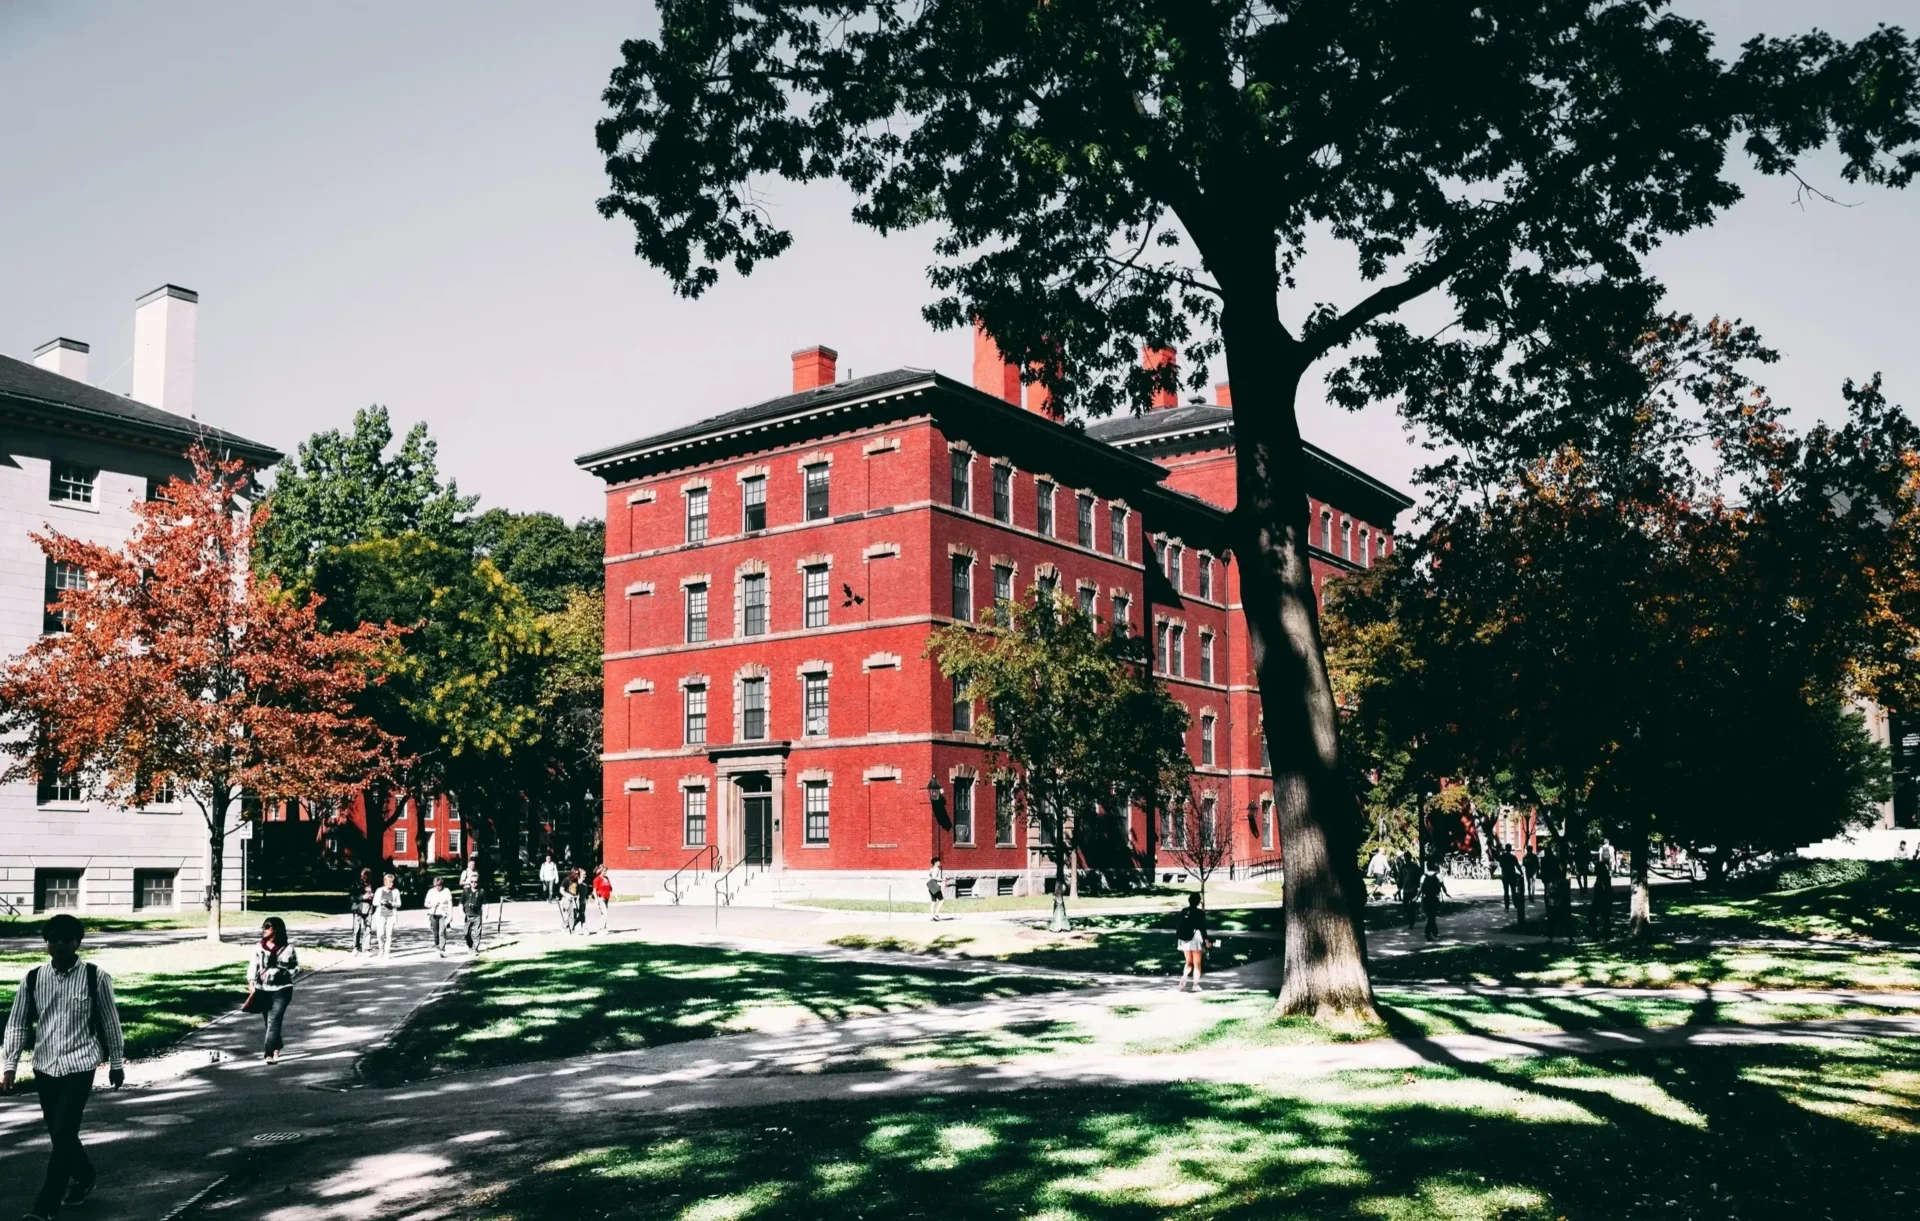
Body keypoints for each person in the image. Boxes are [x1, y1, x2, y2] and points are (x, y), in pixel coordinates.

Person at [2, 914, 125, 1221]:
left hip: (79, 1065)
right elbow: (17, 1024)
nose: (58, 944)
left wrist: (116, 1063)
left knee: (63, 1130)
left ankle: (44, 1208)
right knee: (61, 1135)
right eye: (52, 938)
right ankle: (84, 1175)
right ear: (47, 943)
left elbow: (110, 1024)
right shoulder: (32, 978)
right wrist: (9, 1067)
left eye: (65, 938)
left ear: (77, 942)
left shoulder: (95, 976)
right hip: (45, 1066)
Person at [247, 917, 300, 1064]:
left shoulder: (288, 948)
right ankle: (277, 1045)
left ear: (275, 930)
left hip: (282, 990)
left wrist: (286, 973)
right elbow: (253, 966)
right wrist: (251, 982)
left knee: (274, 1019)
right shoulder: (259, 947)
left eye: (267, 927)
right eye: (263, 927)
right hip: (263, 989)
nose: (263, 929)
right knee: (268, 1022)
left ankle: (268, 1054)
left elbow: (296, 967)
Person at [1174, 893, 1214, 991]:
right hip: (1195, 938)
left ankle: (1184, 976)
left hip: (1184, 939)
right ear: (1198, 901)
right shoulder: (1200, 913)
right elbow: (1202, 928)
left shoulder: (1184, 911)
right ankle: (1195, 985)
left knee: (1188, 961)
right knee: (1197, 963)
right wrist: (1207, 940)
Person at [372, 872, 403, 959]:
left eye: (392, 882)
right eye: (389, 882)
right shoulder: (379, 890)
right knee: (380, 934)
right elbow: (374, 902)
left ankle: (387, 951)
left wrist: (392, 904)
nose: (391, 884)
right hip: (380, 914)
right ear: (385, 882)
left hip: (391, 915)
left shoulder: (396, 891)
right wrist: (380, 902)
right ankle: (381, 949)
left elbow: (399, 904)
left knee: (389, 934)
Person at [424, 876, 455, 957]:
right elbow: (426, 904)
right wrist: (431, 905)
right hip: (433, 914)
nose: (437, 887)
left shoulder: (446, 891)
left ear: (442, 884)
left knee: (442, 931)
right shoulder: (430, 892)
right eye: (436, 885)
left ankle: (442, 949)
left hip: (443, 914)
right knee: (436, 933)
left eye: (439, 885)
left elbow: (450, 903)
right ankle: (437, 945)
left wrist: (451, 915)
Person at [350, 867, 375, 958]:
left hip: (369, 909)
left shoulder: (372, 885)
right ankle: (355, 947)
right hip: (358, 909)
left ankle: (366, 949)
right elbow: (352, 897)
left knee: (367, 929)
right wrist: (362, 897)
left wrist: (373, 896)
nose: (366, 877)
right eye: (364, 875)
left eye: (368, 875)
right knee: (357, 928)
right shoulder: (356, 885)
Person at [1590, 856, 1615, 940]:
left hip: (1602, 900)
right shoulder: (1601, 877)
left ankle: (1603, 934)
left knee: (1602, 917)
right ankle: (1602, 934)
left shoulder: (1604, 878)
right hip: (1599, 900)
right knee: (1601, 917)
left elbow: (1605, 890)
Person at [1420, 866, 1448, 940]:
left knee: (1430, 916)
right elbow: (1443, 886)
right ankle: (1427, 932)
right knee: (1432, 916)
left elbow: (1420, 888)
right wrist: (1446, 893)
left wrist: (1417, 897)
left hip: (1426, 898)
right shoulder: (1438, 875)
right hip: (1434, 898)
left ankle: (1435, 932)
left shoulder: (1423, 876)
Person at [461, 880, 486, 954]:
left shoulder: (481, 891)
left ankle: (475, 949)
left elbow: (485, 903)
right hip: (468, 915)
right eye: (472, 882)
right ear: (470, 883)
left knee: (477, 933)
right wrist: (461, 912)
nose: (474, 883)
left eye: (476, 881)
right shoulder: (466, 891)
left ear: (478, 882)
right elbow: (460, 903)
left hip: (477, 915)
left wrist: (486, 912)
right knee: (466, 933)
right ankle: (470, 946)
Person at [590, 865, 613, 934]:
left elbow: (610, 888)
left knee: (604, 914)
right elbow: (594, 890)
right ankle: (601, 928)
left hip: (606, 898)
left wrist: (615, 895)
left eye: (606, 871)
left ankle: (604, 927)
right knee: (605, 913)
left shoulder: (606, 878)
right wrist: (596, 900)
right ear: (600, 871)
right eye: (604, 871)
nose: (605, 872)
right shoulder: (597, 879)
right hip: (601, 898)